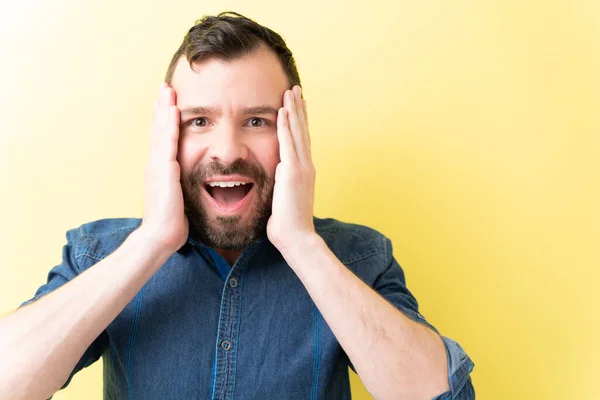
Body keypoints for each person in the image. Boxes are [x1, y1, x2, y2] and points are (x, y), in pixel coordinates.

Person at [0, 11, 475, 400]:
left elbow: (440, 395)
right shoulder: (98, 256)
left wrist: (301, 243)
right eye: (199, 121)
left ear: (295, 134)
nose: (227, 151)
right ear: (167, 135)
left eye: (256, 120)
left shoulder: (358, 258)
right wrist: (150, 243)